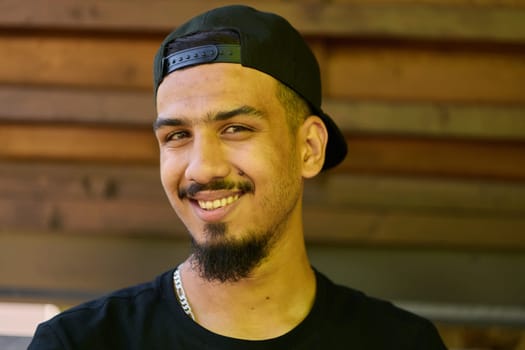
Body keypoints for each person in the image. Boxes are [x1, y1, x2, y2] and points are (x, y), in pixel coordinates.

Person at [29, 5, 447, 349]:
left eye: (235, 129)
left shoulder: (401, 343)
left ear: (309, 149)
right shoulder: (79, 344)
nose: (202, 167)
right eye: (177, 135)